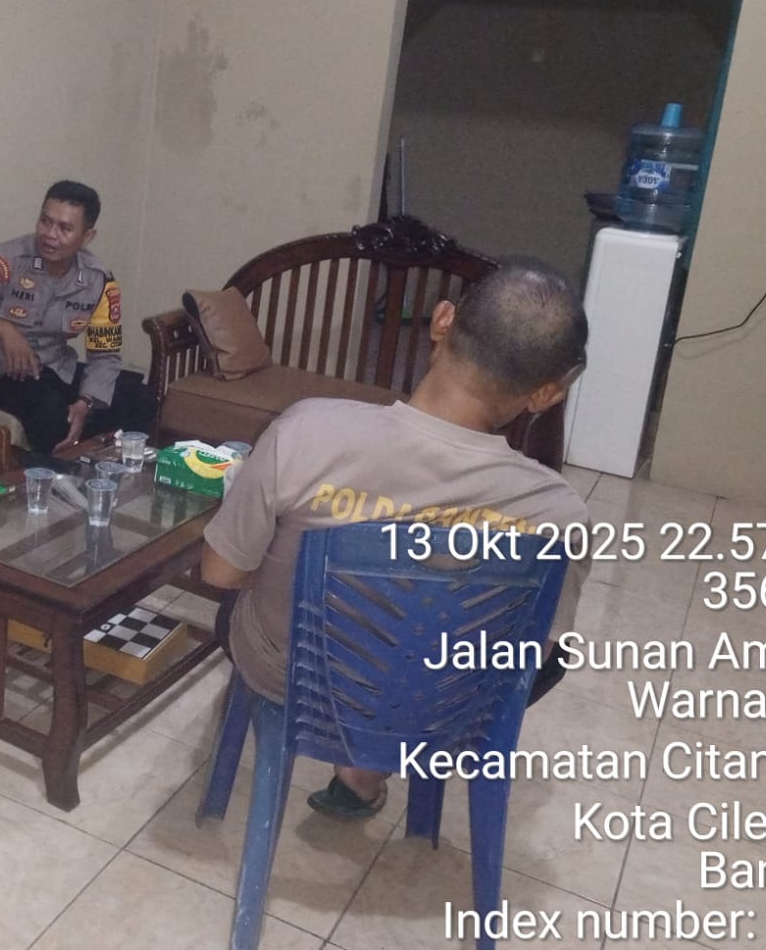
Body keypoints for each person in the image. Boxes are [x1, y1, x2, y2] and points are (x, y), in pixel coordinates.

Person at [200, 259, 590, 816]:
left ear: (443, 320)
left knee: (245, 588)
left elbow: (220, 572)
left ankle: (350, 750)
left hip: (291, 679)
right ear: (546, 394)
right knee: (554, 650)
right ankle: (368, 767)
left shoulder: (308, 431)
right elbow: (531, 655)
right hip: (439, 706)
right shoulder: (558, 513)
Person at [0, 180, 157, 455]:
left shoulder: (98, 280)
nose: (50, 235)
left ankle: (105, 469)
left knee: (141, 398)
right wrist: (1, 328)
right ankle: (49, 474)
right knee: (50, 411)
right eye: (45, 222)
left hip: (57, 368)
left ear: (87, 236)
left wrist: (86, 402)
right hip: (3, 375)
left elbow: (105, 355)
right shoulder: (7, 260)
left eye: (65, 228)